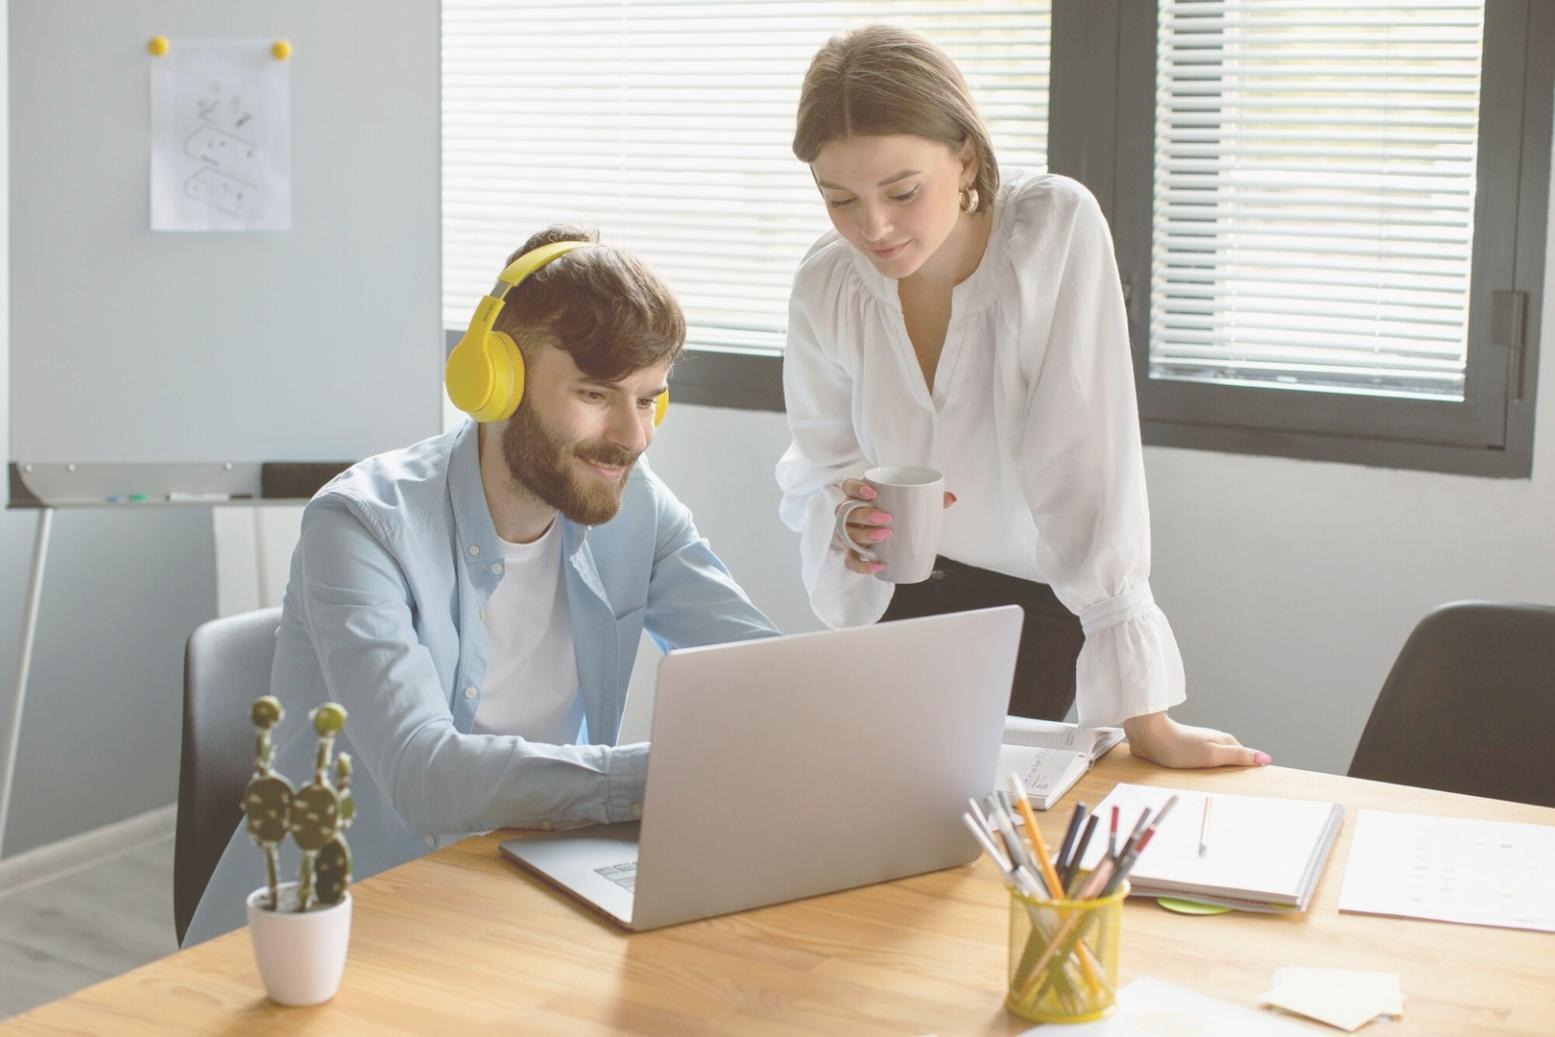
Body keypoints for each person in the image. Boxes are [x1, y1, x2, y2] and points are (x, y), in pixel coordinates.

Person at [186, 227, 778, 944]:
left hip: (511, 896)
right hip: (330, 931)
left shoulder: (638, 506)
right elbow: (424, 774)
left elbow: (766, 675)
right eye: (595, 393)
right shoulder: (359, 524)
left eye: (648, 399)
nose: (633, 435)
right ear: (494, 381)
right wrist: (667, 777)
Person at [775, 26, 1266, 770]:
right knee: (857, 798)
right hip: (896, 594)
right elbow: (819, 464)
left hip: (1031, 599)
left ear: (964, 155)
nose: (871, 227)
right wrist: (845, 519)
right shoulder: (827, 283)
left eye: (902, 191)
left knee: (959, 803)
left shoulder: (1048, 232)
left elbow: (1085, 466)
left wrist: (1145, 720)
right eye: (837, 197)